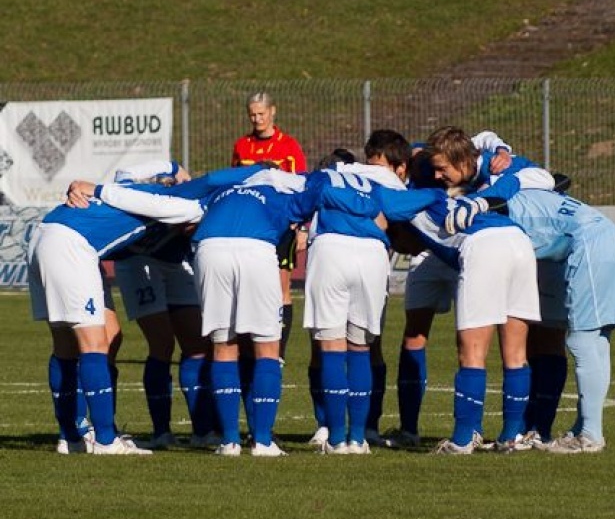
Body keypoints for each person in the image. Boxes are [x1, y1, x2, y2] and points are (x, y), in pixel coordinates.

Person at [190, 169, 393, 457]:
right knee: (275, 348)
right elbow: (321, 195)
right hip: (267, 252)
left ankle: (231, 442)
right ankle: (269, 442)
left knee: (224, 345)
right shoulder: (290, 191)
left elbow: (178, 202)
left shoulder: (222, 191)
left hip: (212, 249)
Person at [468, 164, 615, 452]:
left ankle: (590, 434)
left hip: (588, 245)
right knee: (597, 342)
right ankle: (583, 428)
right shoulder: (530, 192)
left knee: (583, 340)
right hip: (606, 237)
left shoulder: (500, 203)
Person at [27, 179, 205, 455]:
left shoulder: (125, 193)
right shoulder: (162, 202)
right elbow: (191, 208)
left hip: (43, 235)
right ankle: (106, 440)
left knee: (67, 345)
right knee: (95, 344)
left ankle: (71, 437)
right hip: (69, 244)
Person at [303, 165, 456, 455]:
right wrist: (435, 196)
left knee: (332, 347)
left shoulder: (319, 179)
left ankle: (336, 439)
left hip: (331, 249)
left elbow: (292, 198)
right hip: (373, 254)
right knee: (361, 348)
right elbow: (421, 200)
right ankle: (358, 439)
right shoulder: (375, 188)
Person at [413, 126, 545, 454]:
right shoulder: (470, 164)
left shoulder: (494, 168)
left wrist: (501, 158)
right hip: (520, 244)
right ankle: (511, 437)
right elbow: (481, 137)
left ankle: (462, 439)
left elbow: (540, 176)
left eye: (443, 168)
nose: (437, 174)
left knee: (471, 352)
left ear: (463, 158)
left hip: (486, 247)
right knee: (516, 353)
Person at [383, 132, 516, 449]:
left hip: (468, 247)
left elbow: (485, 139)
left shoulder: (461, 161)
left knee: (476, 338)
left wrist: (502, 149)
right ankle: (409, 429)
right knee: (414, 334)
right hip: (428, 253)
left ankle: (476, 429)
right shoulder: (414, 172)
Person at [111, 160, 216, 450]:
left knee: (197, 344)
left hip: (174, 261)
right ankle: (161, 432)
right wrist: (169, 168)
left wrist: (177, 170)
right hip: (137, 263)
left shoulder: (191, 197)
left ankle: (203, 430)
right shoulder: (135, 190)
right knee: (162, 343)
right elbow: (123, 174)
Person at [231, 91, 307, 363]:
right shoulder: (242, 145)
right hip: (249, 226)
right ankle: (249, 346)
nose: (257, 118)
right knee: (247, 286)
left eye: (261, 113)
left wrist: (302, 228)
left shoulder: (289, 146)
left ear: (273, 111)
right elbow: (235, 184)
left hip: (281, 225)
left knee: (280, 287)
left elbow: (301, 188)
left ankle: (278, 350)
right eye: (252, 114)